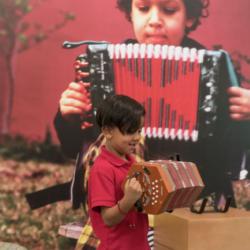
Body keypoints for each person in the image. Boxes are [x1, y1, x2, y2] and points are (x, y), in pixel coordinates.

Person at [52, 0, 250, 248]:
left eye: (169, 10)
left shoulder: (214, 69)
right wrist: (69, 116)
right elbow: (74, 149)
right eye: (143, 8)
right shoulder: (107, 64)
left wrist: (245, 121)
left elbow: (231, 157)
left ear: (189, 17)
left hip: (195, 199)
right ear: (130, 13)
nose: (154, 20)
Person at [87, 94, 149, 250]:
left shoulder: (133, 162)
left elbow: (141, 203)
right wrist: (128, 199)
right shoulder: (102, 169)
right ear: (107, 131)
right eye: (129, 131)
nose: (136, 137)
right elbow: (108, 219)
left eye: (139, 131)